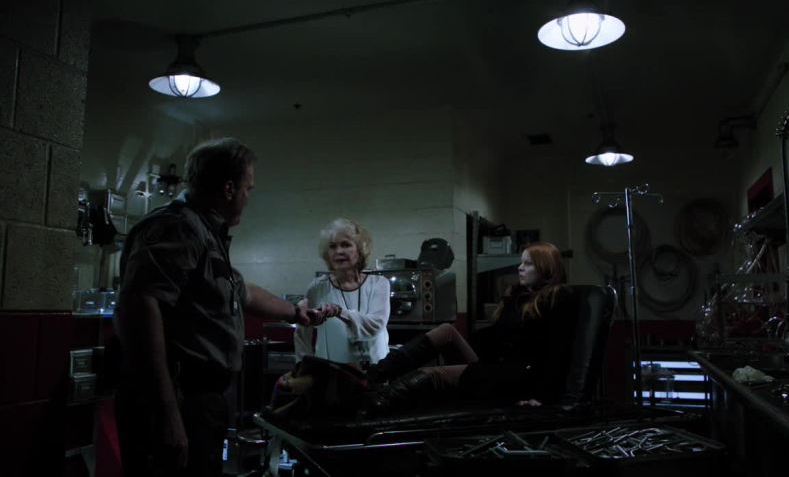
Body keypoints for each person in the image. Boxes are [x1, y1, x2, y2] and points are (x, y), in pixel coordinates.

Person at [114, 137, 335, 477]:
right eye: (248, 188)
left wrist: (296, 312)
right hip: (177, 398)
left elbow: (242, 292)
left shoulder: (204, 232)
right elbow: (139, 308)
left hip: (200, 400)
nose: (249, 197)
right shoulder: (177, 227)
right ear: (229, 188)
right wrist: (167, 412)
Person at [362, 241, 578, 415]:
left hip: (517, 377)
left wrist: (541, 396)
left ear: (545, 268)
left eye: (528, 264)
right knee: (446, 330)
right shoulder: (520, 297)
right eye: (521, 262)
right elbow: (496, 335)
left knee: (433, 374)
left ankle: (374, 403)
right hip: (498, 365)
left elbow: (557, 352)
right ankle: (374, 375)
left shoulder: (556, 298)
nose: (520, 268)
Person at [294, 218, 391, 366]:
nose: (339, 251)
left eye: (346, 245)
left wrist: (340, 311)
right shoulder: (317, 287)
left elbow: (376, 325)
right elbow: (302, 332)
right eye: (332, 246)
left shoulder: (379, 284)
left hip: (376, 370)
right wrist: (303, 365)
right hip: (332, 373)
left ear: (360, 250)